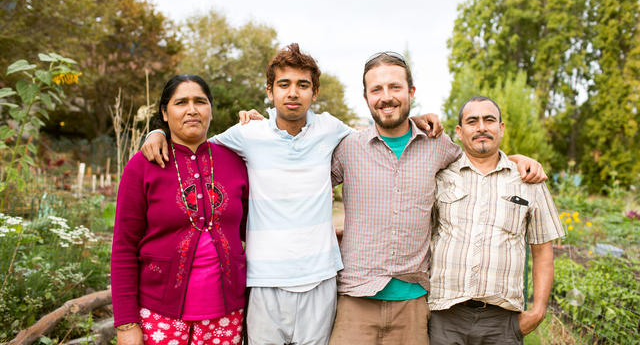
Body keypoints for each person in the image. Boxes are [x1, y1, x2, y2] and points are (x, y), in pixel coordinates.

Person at [141, 44, 441, 345]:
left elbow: (378, 135)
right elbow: (194, 143)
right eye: (283, 85)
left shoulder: (330, 129)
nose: (293, 93)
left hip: (320, 279)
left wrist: (414, 121)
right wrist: (158, 131)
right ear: (270, 91)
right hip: (264, 281)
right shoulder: (248, 134)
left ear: (315, 92)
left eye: (303, 85)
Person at [328, 53, 546, 345]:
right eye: (376, 90)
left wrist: (519, 160)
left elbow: (480, 157)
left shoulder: (438, 146)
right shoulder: (347, 149)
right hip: (356, 300)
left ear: (411, 92)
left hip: (414, 306)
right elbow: (306, 191)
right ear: (366, 97)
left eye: (395, 87)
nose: (386, 97)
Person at [111, 75, 248, 345]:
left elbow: (253, 231)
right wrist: (126, 324)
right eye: (181, 102)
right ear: (164, 112)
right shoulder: (143, 166)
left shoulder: (235, 160)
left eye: (200, 101)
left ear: (211, 109)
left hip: (227, 315)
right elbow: (123, 247)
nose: (192, 109)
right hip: (159, 314)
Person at [428, 96, 564, 344]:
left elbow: (543, 248)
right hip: (445, 317)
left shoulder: (528, 180)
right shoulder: (439, 176)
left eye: (489, 120)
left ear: (500, 128)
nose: (481, 127)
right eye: (472, 121)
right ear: (459, 131)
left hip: (502, 321)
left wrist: (538, 310)